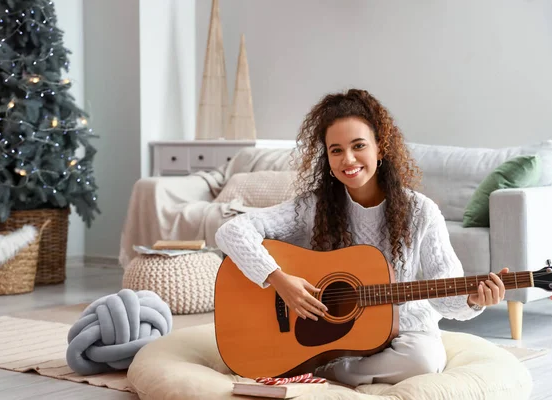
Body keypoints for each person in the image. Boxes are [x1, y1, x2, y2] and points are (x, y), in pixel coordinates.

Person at [214, 88, 507, 387]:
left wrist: (471, 299)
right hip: (326, 332)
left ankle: (323, 371)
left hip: (404, 332)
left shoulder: (420, 211)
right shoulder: (314, 207)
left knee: (424, 361)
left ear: (380, 148)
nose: (348, 159)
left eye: (358, 146)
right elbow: (231, 230)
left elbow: (446, 300)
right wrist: (279, 280)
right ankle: (324, 360)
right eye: (336, 150)